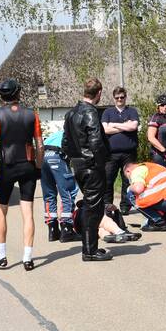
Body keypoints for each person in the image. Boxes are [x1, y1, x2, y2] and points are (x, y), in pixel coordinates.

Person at [0, 79, 43, 271]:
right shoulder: (32, 114)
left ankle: (2, 256)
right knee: (28, 213)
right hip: (27, 165)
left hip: (8, 166)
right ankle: (28, 258)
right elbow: (40, 145)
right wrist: (39, 166)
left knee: (1, 210)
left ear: (2, 96)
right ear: (18, 93)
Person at [63, 78, 113, 262]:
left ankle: (91, 248)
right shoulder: (90, 112)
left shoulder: (70, 113)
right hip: (91, 166)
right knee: (93, 209)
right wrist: (99, 163)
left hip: (78, 165)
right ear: (99, 93)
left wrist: (74, 160)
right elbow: (96, 142)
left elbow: (65, 143)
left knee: (91, 206)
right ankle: (89, 251)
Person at [101, 87, 140, 214]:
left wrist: (114, 125)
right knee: (108, 179)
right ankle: (107, 205)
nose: (119, 100)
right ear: (114, 98)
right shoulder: (107, 112)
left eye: (122, 97)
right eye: (117, 98)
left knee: (127, 181)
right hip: (111, 153)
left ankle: (125, 206)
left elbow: (133, 126)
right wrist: (124, 126)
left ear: (125, 97)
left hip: (129, 153)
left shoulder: (132, 111)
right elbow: (105, 130)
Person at [123, 161, 166, 230]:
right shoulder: (154, 166)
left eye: (128, 177)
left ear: (128, 171)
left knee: (130, 194)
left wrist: (130, 187)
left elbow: (138, 189)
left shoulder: (136, 171)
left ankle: (158, 222)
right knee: (163, 217)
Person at [41, 127, 78, 243]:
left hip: (43, 157)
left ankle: (52, 230)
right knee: (68, 191)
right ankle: (66, 229)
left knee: (49, 194)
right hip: (57, 156)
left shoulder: (56, 134)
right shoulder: (73, 133)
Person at [72, 201, 142, 244]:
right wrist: (116, 210)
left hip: (82, 230)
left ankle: (107, 237)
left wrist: (116, 210)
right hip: (85, 220)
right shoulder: (87, 210)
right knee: (104, 220)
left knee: (100, 230)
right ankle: (120, 232)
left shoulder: (76, 212)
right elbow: (121, 225)